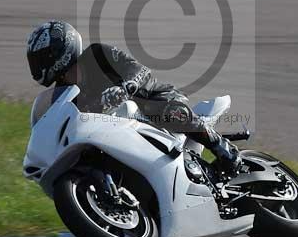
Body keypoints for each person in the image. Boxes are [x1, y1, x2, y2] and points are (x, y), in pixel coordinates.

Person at [25, 20, 242, 174]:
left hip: (152, 100)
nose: (38, 64)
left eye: (41, 58)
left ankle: (222, 148)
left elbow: (138, 70)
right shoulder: (63, 92)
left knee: (159, 110)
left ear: (60, 49)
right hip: (117, 131)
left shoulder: (97, 55)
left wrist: (126, 87)